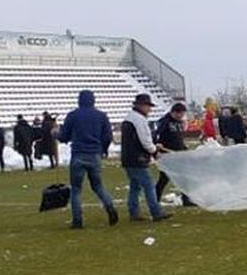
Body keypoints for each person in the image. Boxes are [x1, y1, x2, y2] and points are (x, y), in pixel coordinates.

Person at [58, 89, 119, 229]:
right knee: (98, 186)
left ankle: (77, 221)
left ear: (79, 100)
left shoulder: (73, 115)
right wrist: (103, 150)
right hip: (94, 155)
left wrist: (56, 134)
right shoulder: (101, 116)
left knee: (76, 189)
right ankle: (110, 207)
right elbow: (108, 136)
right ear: (93, 100)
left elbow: (64, 137)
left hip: (78, 154)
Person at [121, 93, 172, 222]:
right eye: (148, 106)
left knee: (135, 186)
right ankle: (156, 212)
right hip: (138, 158)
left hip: (128, 158)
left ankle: (134, 211)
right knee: (148, 185)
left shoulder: (129, 118)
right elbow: (145, 141)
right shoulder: (139, 120)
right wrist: (154, 151)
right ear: (141, 106)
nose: (149, 109)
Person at [155, 102, 195, 207]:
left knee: (184, 176)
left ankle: (186, 199)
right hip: (167, 155)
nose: (181, 116)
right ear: (174, 112)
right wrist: (156, 145)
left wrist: (184, 148)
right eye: (180, 114)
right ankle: (155, 200)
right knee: (164, 178)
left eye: (183, 114)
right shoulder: (165, 122)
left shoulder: (177, 122)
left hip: (178, 154)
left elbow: (177, 138)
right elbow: (155, 134)